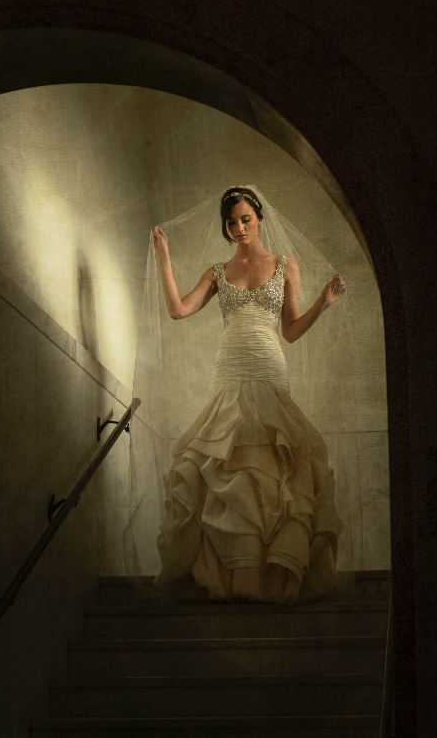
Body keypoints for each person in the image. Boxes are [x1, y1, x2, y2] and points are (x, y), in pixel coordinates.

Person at [148, 186, 346, 604]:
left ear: (259, 218)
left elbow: (290, 331)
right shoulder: (218, 272)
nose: (238, 228)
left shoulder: (284, 265)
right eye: (231, 222)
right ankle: (235, 570)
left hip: (269, 364)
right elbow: (178, 310)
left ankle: (273, 574)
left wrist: (323, 304)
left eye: (245, 219)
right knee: (229, 460)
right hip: (231, 366)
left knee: (276, 462)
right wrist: (164, 260)